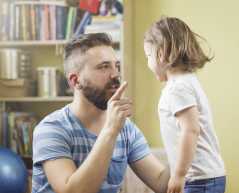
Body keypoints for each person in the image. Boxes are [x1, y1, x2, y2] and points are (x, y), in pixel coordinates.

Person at [32, 33, 169, 193]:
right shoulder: (51, 129)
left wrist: (184, 146)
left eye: (116, 66)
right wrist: (110, 130)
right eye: (104, 67)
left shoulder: (126, 129)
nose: (115, 74)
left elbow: (161, 182)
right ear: (75, 81)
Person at [143, 17, 226, 193]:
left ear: (161, 53)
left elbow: (191, 129)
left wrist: (179, 175)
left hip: (197, 179)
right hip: (206, 177)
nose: (147, 62)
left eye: (148, 56)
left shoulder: (177, 89)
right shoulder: (187, 81)